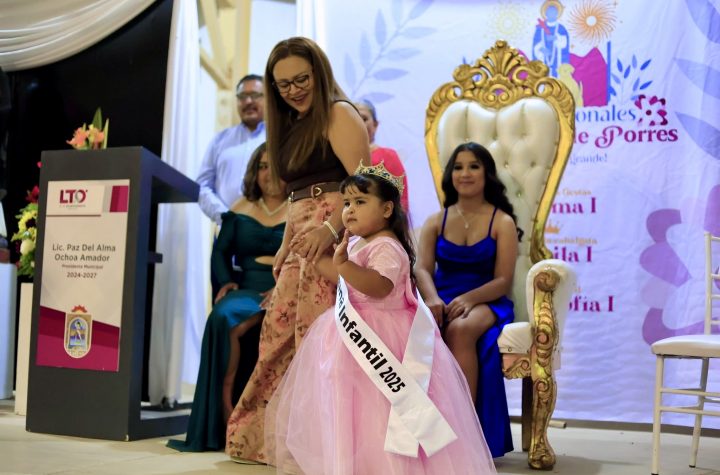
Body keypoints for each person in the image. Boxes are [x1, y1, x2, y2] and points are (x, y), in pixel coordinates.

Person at [264, 166, 497, 474]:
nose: (349, 210)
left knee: (382, 409)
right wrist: (317, 258)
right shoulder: (358, 242)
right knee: (354, 410)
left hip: (386, 338)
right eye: (347, 203)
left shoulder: (387, 245)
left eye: (360, 202)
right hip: (351, 336)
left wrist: (344, 265)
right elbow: (344, 279)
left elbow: (378, 286)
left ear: (387, 209)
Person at [225, 36, 370, 463]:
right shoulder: (288, 123)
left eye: (301, 79)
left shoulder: (339, 113)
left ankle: (324, 444)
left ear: (318, 73)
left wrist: (330, 228)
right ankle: (270, 442)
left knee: (318, 340)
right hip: (302, 237)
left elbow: (366, 185)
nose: (294, 90)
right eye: (284, 84)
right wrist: (286, 245)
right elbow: (297, 196)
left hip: (335, 237)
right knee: (278, 338)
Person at [168, 143, 287, 452]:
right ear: (254, 172)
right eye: (262, 166)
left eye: (274, 166)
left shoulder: (300, 206)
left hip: (286, 288)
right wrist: (225, 282)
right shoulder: (240, 207)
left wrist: (286, 285)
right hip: (246, 287)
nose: (268, 173)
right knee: (222, 316)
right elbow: (220, 252)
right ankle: (227, 415)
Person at [415, 142, 521, 458]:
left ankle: (466, 434)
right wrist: (432, 298)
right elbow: (421, 268)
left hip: (486, 299)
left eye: (474, 166)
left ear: (487, 174)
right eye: (458, 167)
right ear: (450, 175)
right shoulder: (436, 220)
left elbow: (503, 281)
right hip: (442, 297)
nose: (465, 173)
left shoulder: (502, 221)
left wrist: (469, 298)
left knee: (460, 329)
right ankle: (418, 433)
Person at [197, 74, 266, 225]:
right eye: (242, 96)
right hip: (226, 227)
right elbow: (203, 186)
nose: (248, 101)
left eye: (255, 95)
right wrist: (224, 216)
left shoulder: (277, 140)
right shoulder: (219, 141)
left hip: (267, 228)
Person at [355, 99, 410, 212]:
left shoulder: (388, 156)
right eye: (355, 119)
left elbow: (401, 198)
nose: (360, 124)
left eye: (364, 119)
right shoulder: (341, 158)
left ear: (375, 124)